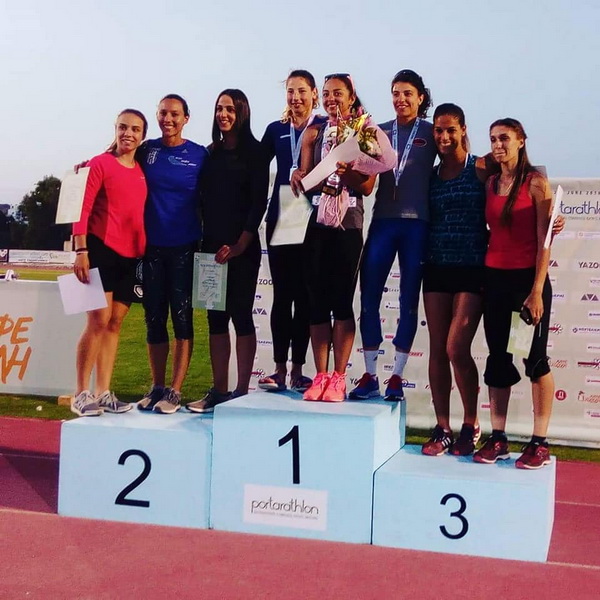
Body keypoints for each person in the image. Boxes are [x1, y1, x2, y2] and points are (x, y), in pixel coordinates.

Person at [349, 70, 437, 402]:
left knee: (408, 300)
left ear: (420, 98)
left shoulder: (431, 132)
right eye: (396, 93)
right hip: (383, 221)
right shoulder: (378, 131)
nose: (401, 99)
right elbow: (363, 175)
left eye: (408, 93)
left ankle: (397, 376)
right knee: (369, 296)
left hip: (417, 225)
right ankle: (370, 374)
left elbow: (460, 161)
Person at [291, 74, 379, 401]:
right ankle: (321, 375)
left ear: (351, 96)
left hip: (349, 224)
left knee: (341, 301)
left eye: (337, 93)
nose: (331, 99)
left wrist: (347, 171)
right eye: (326, 94)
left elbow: (367, 187)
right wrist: (301, 176)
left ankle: (339, 377)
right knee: (316, 302)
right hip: (315, 223)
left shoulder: (364, 132)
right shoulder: (314, 132)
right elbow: (305, 183)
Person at [474, 118, 554, 469]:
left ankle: (539, 441)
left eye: (505, 138)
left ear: (522, 141)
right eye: (493, 138)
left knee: (533, 359)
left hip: (525, 285)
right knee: (498, 360)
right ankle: (499, 438)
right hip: (495, 281)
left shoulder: (535, 183)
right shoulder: (491, 182)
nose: (498, 144)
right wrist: (495, 158)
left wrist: (536, 292)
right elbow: (480, 162)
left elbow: (544, 242)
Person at [186, 89, 269, 413]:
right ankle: (218, 391)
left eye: (230, 109)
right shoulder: (210, 153)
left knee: (241, 316)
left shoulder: (256, 153)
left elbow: (258, 203)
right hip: (211, 251)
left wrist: (239, 245)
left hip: (242, 249)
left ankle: (241, 391)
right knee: (215, 321)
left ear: (242, 112)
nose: (224, 114)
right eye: (220, 108)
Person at [420, 103, 490, 455]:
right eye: (438, 130)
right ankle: (443, 427)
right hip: (435, 267)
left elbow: (525, 178)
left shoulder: (481, 167)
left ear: (463, 129)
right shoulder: (430, 175)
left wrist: (551, 215)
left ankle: (471, 423)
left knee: (455, 348)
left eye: (451, 129)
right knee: (437, 349)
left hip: (472, 267)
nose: (444, 136)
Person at [71, 109, 148, 416]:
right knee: (98, 321)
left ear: (142, 136)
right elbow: (81, 208)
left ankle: (103, 392)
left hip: (131, 256)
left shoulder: (142, 169)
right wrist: (81, 250)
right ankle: (81, 393)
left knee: (115, 323)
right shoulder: (99, 163)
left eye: (135, 129)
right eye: (123, 127)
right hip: (100, 249)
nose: (128, 133)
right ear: (115, 129)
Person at [136, 94, 208, 414]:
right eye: (163, 113)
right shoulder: (146, 150)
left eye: (175, 114)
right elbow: (117, 159)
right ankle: (157, 387)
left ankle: (175, 391)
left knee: (181, 319)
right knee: (153, 320)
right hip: (150, 247)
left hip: (184, 247)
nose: (168, 119)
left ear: (186, 118)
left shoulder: (199, 154)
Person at [258, 70, 325, 393]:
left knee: (306, 295)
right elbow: (253, 163)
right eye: (290, 91)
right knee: (283, 295)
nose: (295, 97)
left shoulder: (325, 126)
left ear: (314, 94)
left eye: (301, 91)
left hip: (314, 215)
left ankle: (299, 370)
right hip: (283, 213)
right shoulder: (276, 129)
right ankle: (279, 369)